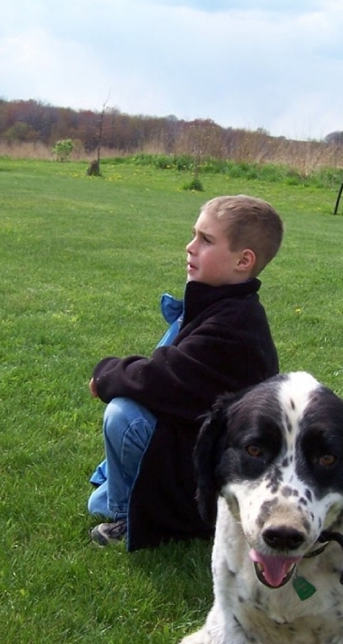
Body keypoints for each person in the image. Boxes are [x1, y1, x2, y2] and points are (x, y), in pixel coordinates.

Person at [87, 194, 283, 551]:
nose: (190, 247)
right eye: (194, 235)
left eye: (206, 240)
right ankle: (123, 494)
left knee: (124, 415)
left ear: (244, 261)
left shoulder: (236, 328)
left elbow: (158, 380)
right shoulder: (220, 304)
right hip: (197, 439)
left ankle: (130, 516)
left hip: (211, 480)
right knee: (96, 496)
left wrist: (106, 376)